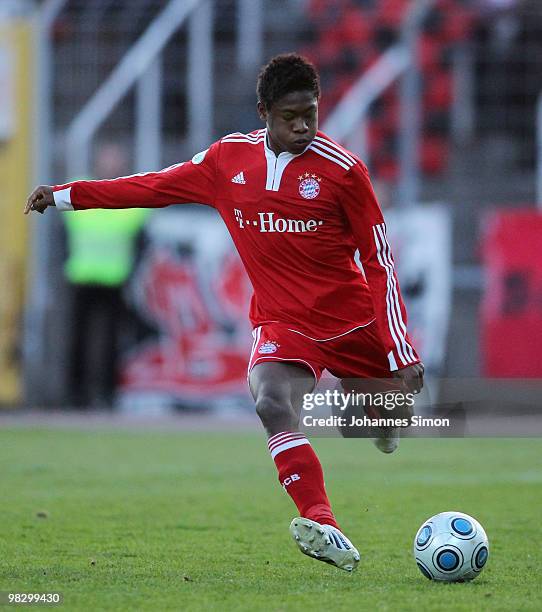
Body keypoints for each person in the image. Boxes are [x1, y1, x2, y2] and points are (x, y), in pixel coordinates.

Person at [25, 54, 423, 572]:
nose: (303, 125)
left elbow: (379, 258)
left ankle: (379, 417)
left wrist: (398, 346)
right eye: (290, 115)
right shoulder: (227, 162)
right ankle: (321, 520)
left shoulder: (344, 172)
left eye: (311, 112)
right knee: (270, 402)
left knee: (392, 416)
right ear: (264, 112)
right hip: (285, 324)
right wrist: (64, 195)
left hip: (351, 323)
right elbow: (153, 186)